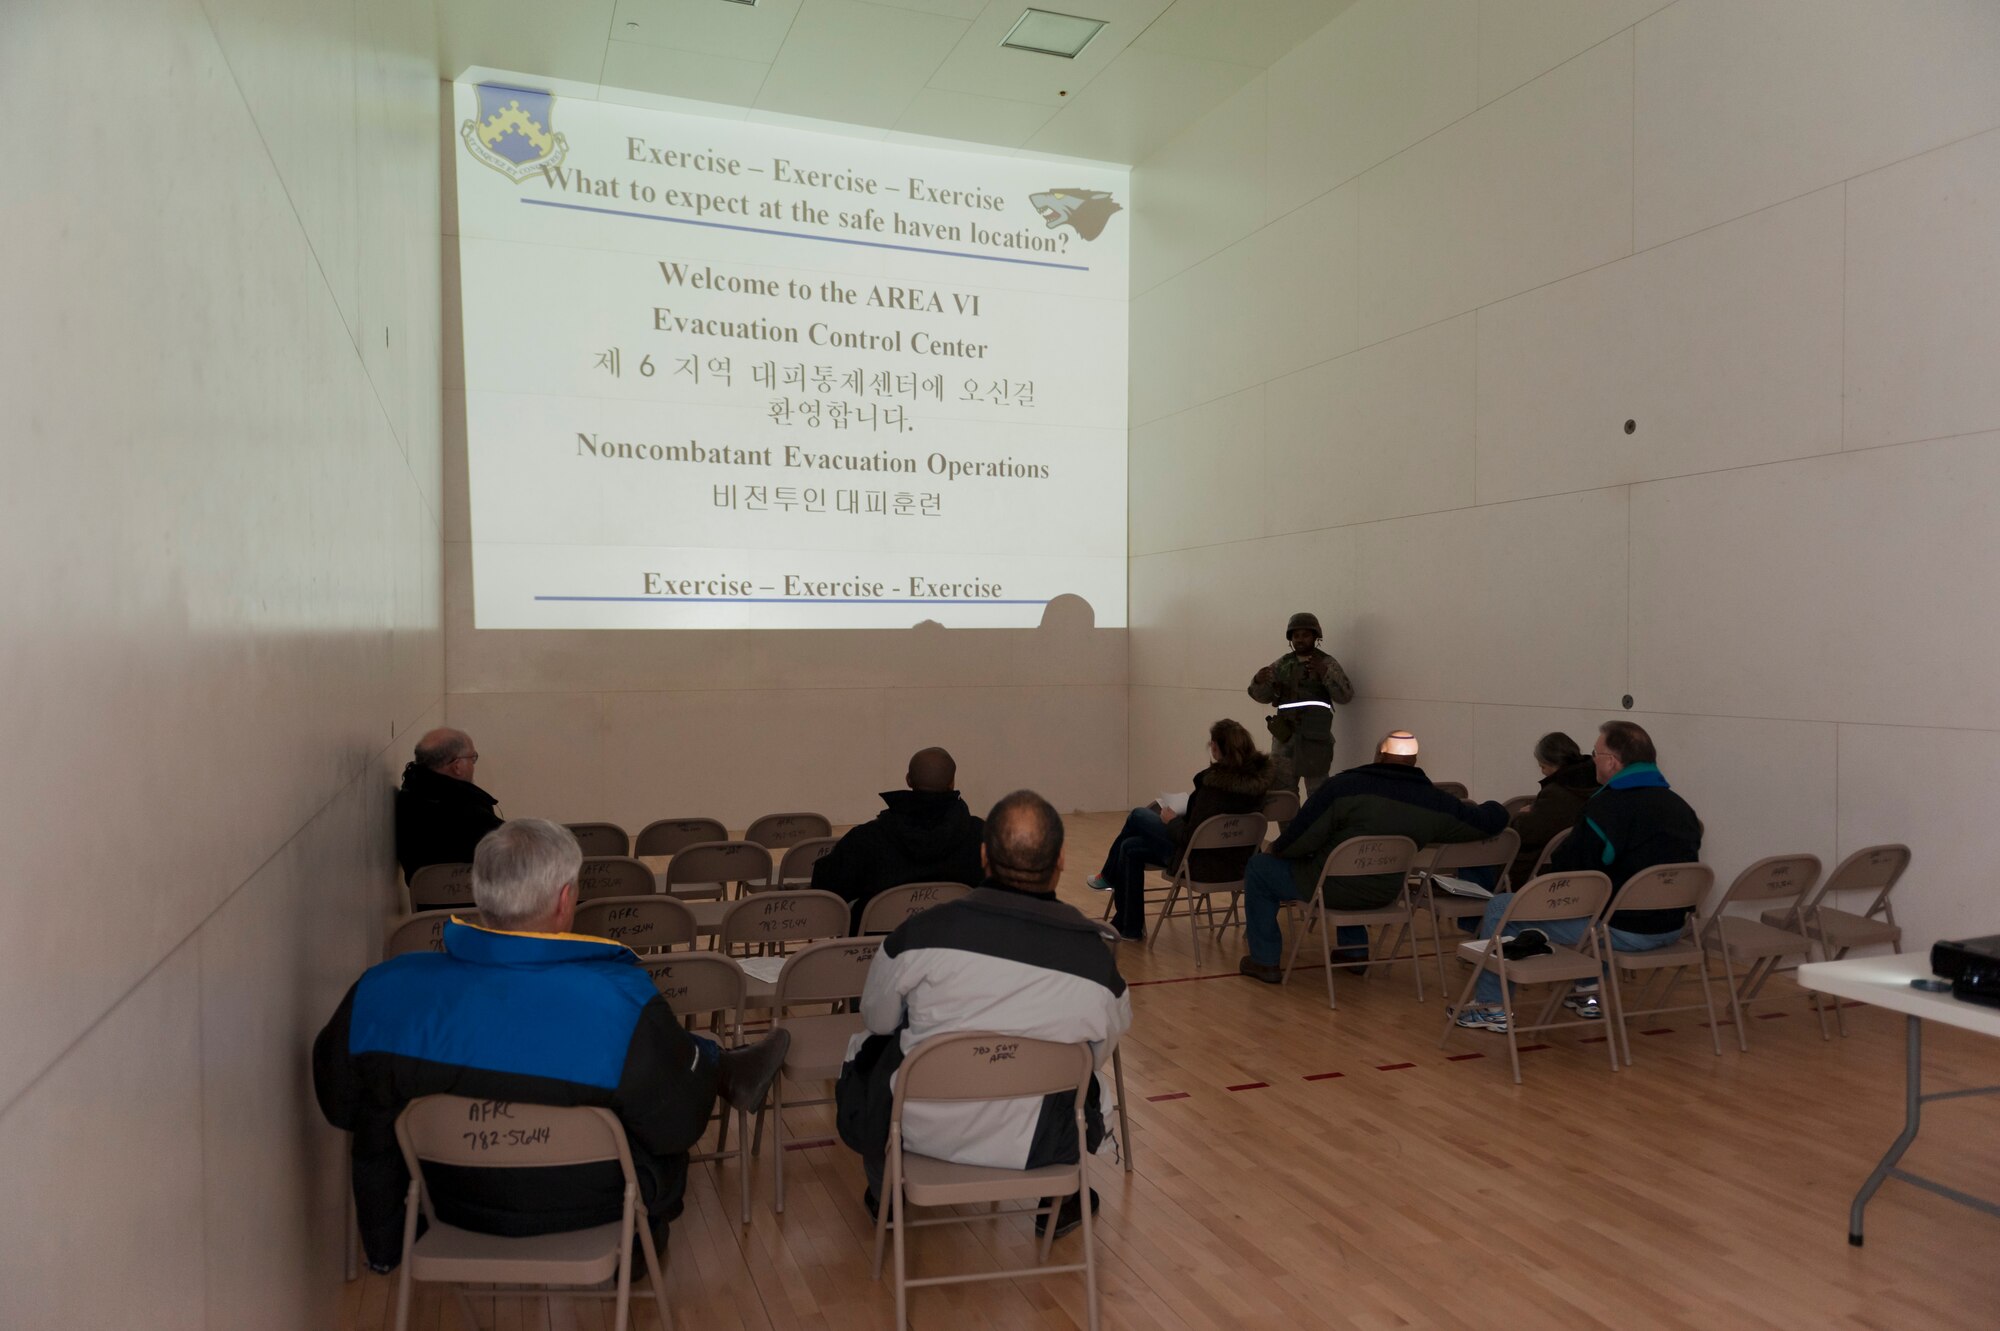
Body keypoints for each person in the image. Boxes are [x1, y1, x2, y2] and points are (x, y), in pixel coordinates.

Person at [313, 818, 792, 1272]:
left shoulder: (381, 991)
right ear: (566, 900)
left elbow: (341, 1106)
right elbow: (676, 1128)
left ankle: (718, 1065)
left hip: (443, 1203)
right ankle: (718, 1066)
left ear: (480, 895)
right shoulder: (620, 1001)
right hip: (599, 1209)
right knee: (656, 1085)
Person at [836, 790, 1131, 1239]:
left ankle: (885, 1194)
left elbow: (877, 1019)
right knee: (1082, 1077)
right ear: (1062, 861)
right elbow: (1099, 1051)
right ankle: (1063, 1197)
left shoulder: (916, 937)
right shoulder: (1096, 964)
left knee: (869, 1048)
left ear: (982, 857)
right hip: (1039, 1141)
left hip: (914, 1129)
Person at [1454, 720, 1702, 1032]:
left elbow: (1573, 874)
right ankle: (1587, 993)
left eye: (1596, 753)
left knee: (1502, 907)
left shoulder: (1607, 807)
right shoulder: (1682, 808)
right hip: (1673, 927)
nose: (1592, 760)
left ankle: (1492, 1007)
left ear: (1612, 762)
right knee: (1610, 898)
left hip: (1623, 931)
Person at [1236, 731, 1508, 983]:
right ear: (1414, 760)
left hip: (1328, 889)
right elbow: (1484, 823)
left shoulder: (1342, 788)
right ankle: (1354, 952)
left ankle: (1265, 960)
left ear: (1378, 755)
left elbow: (1300, 838)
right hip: (1386, 891)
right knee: (1352, 871)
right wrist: (1498, 808)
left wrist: (1278, 850)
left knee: (1261, 867)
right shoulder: (1435, 801)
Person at [1086, 719, 1274, 940]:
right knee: (1130, 847)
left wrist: (1171, 820)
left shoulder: (1214, 788)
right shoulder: (1258, 785)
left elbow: (1188, 836)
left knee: (1138, 815)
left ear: (1215, 747)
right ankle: (1128, 927)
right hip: (1238, 863)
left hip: (1198, 864)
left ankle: (1109, 877)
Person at [810, 746, 984, 930]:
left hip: (877, 952)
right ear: (952, 783)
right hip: (959, 947)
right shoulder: (983, 837)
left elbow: (826, 889)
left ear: (908, 780)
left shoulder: (867, 838)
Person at [1247, 612, 1354, 796]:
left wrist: (1324, 673)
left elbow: (1345, 695)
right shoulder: (1281, 664)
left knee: (1318, 794)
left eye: (1305, 635)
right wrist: (1258, 681)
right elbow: (1262, 696)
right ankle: (1290, 827)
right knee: (1282, 794)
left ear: (1315, 636)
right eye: (1296, 636)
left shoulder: (1326, 662)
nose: (1300, 640)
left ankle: (1315, 826)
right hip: (1284, 738)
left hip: (1315, 739)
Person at [394, 727, 503, 878]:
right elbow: (510, 847)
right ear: (457, 766)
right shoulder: (466, 809)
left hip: (425, 898)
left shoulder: (407, 798)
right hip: (476, 896)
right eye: (472, 758)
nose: (473, 765)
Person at [1505, 731, 1599, 884]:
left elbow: (1527, 832)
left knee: (1481, 863)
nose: (1542, 771)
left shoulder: (1556, 792)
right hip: (1584, 871)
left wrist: (1520, 816)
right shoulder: (1597, 783)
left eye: (1542, 766)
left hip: (1544, 874)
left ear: (1552, 763)